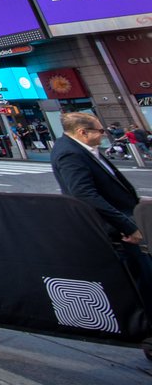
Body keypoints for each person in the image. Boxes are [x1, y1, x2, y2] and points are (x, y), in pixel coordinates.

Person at [51, 112, 152, 310]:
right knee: (139, 276)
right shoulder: (70, 153)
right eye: (99, 130)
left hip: (121, 220)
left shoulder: (83, 148)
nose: (103, 134)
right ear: (83, 132)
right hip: (114, 228)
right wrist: (127, 225)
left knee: (142, 272)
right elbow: (84, 194)